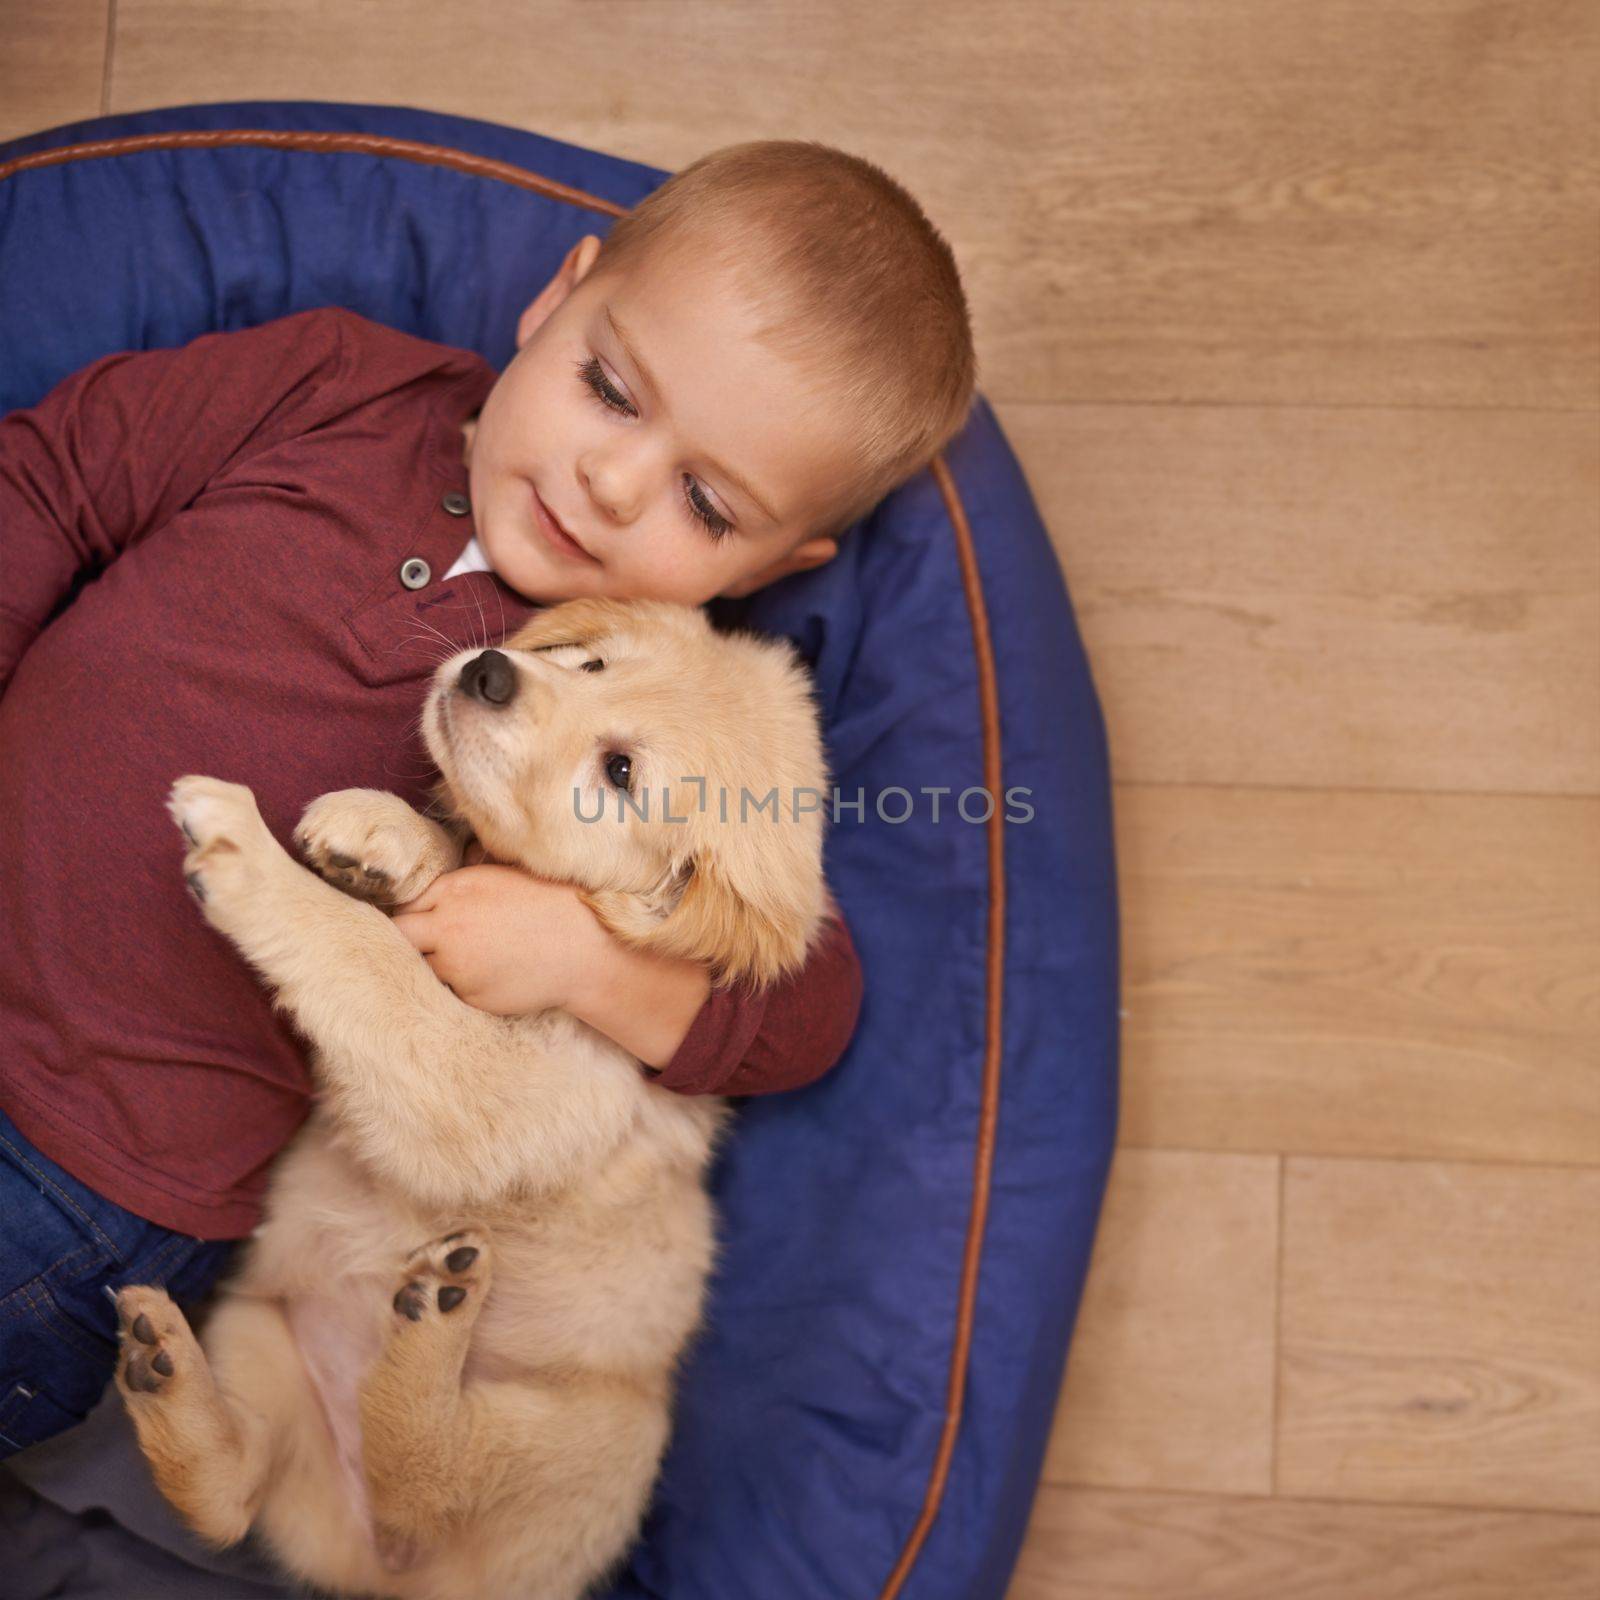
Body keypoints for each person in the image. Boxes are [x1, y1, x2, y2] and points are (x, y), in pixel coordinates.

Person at [0, 139, 977, 1457]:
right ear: (554, 300)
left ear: (778, 562)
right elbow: (54, 479)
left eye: (704, 502)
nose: (614, 482)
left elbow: (808, 996)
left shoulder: (655, 718)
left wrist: (582, 957)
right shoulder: (334, 379)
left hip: (81, 1171)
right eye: (609, 388)